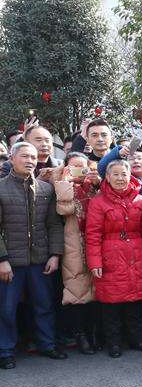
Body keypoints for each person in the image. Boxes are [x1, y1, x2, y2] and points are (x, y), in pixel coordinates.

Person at [0, 142, 67, 369]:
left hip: (40, 260)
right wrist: (2, 260)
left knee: (44, 304)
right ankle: (6, 351)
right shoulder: (1, 188)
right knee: (7, 309)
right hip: (11, 263)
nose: (30, 160)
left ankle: (47, 345)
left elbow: (54, 225)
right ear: (12, 158)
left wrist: (55, 254)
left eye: (33, 156)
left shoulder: (46, 189)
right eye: (24, 156)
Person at [84, 161, 142, 358]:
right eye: (115, 174)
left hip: (137, 255)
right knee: (111, 305)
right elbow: (92, 235)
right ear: (107, 177)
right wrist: (95, 262)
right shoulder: (98, 202)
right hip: (111, 257)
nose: (120, 178)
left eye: (123, 174)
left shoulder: (141, 200)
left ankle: (138, 339)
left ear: (129, 175)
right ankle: (114, 343)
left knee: (137, 302)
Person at [52, 152, 101, 354]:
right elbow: (64, 209)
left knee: (97, 291)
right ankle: (80, 335)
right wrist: (64, 182)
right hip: (73, 246)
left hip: (96, 243)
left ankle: (94, 333)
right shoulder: (61, 186)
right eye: (74, 167)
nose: (79, 171)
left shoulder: (94, 187)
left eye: (83, 166)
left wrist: (97, 183)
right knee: (77, 292)